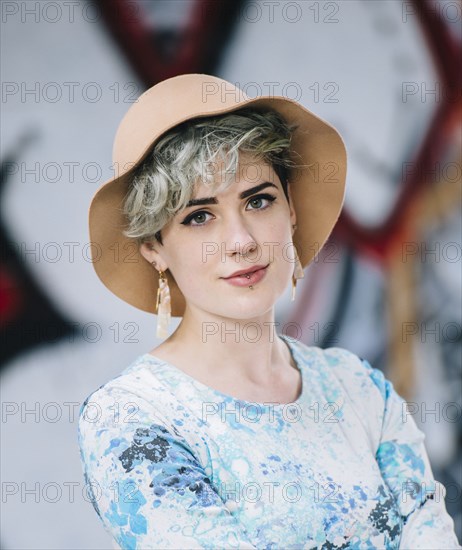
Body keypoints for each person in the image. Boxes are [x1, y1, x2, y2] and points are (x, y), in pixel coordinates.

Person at [78, 74, 460, 549]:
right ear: (155, 247)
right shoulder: (133, 420)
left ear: (292, 210)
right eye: (199, 216)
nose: (242, 241)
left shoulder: (360, 389)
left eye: (258, 201)